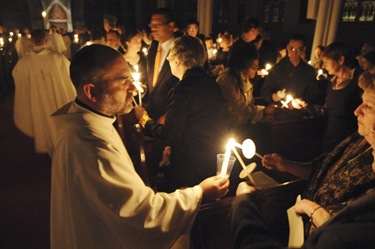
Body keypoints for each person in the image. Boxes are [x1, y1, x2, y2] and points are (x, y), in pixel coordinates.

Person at [50, 44, 230, 249]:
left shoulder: (93, 122)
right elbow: (143, 215)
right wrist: (200, 193)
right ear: (92, 91)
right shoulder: (93, 147)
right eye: (123, 81)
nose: (134, 88)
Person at [230, 70, 375, 249]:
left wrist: (243, 204)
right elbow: (322, 168)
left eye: (368, 106)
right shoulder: (359, 140)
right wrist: (287, 165)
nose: (356, 111)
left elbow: (344, 232)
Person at [134, 36, 231, 192]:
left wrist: (144, 120)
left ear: (176, 61)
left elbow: (169, 135)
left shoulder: (183, 88)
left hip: (189, 168)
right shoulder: (212, 84)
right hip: (211, 161)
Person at [12, 28, 76, 156]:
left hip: (38, 102)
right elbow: (71, 75)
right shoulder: (58, 58)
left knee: (43, 123)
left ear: (31, 40)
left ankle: (51, 150)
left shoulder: (24, 63)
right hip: (57, 99)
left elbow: (17, 77)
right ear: (46, 40)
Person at [321, 42, 362, 152]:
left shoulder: (358, 81)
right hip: (331, 136)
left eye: (326, 62)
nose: (323, 66)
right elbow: (329, 109)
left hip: (348, 140)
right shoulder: (332, 82)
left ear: (341, 60)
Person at [261, 34, 318, 106]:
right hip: (279, 111)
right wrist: (274, 97)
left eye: (298, 49)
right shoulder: (277, 69)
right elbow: (265, 91)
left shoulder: (309, 71)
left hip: (300, 111)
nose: (295, 52)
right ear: (287, 48)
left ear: (304, 50)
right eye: (292, 49)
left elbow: (313, 93)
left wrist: (302, 100)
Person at [145, 8, 179, 121]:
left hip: (169, 116)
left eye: (157, 25)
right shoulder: (152, 49)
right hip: (151, 112)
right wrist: (143, 87)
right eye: (151, 25)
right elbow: (152, 80)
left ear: (171, 26)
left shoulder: (179, 50)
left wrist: (169, 114)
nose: (153, 29)